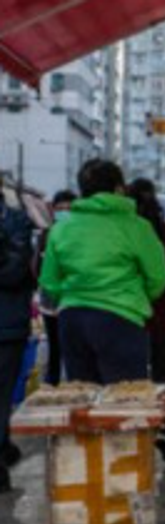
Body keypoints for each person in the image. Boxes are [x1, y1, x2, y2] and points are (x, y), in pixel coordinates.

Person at [39, 160, 165, 385]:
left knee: (82, 402)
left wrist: (75, 292)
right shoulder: (137, 226)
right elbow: (159, 277)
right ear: (119, 189)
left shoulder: (61, 228)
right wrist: (133, 296)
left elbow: (49, 281)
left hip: (72, 320)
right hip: (121, 319)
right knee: (125, 405)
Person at [0, 177, 35, 493]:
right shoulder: (17, 224)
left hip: (8, 324)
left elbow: (16, 273)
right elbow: (16, 272)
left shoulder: (18, 223)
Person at [127, 179, 165, 385]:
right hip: (163, 306)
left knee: (134, 373)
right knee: (162, 369)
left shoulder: (128, 228)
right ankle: (163, 415)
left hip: (132, 305)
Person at [35, 190, 75, 387]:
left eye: (69, 208)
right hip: (50, 302)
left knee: (74, 347)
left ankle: (75, 384)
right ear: (53, 210)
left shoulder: (81, 234)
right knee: (55, 346)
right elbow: (37, 268)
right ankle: (53, 384)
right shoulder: (46, 234)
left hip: (74, 299)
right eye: (60, 209)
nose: (64, 212)